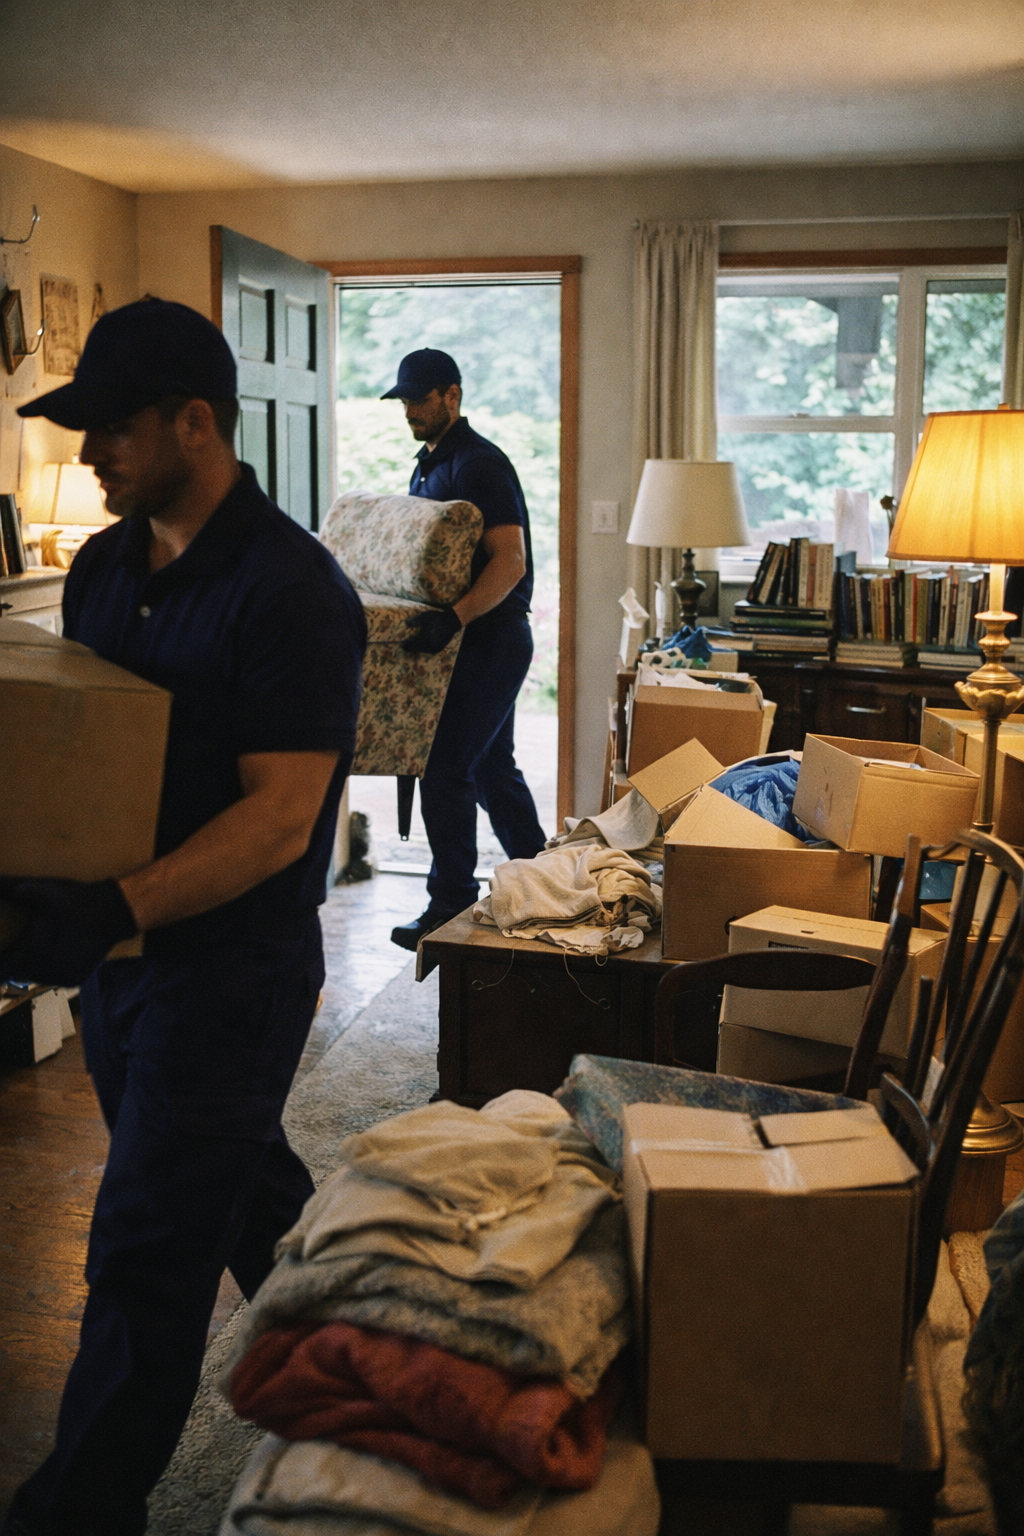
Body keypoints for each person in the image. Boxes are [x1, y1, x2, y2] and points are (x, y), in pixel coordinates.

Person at [0, 298, 366, 1536]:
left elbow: (280, 820)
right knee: (241, 1189)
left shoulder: (292, 590)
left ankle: (73, 1512)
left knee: (146, 1250)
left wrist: (112, 906)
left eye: (111, 427)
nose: (88, 452)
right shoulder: (103, 572)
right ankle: (373, 1380)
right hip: (122, 969)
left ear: (193, 423)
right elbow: (87, 761)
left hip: (232, 970)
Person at [383, 349, 547, 951]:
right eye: (404, 400)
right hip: (460, 640)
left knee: (446, 768)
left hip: (491, 639)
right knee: (491, 769)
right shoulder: (429, 466)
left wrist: (454, 619)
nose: (409, 410)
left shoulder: (479, 465)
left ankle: (450, 901)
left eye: (419, 399)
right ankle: (546, 881)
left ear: (451, 396)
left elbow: (510, 561)